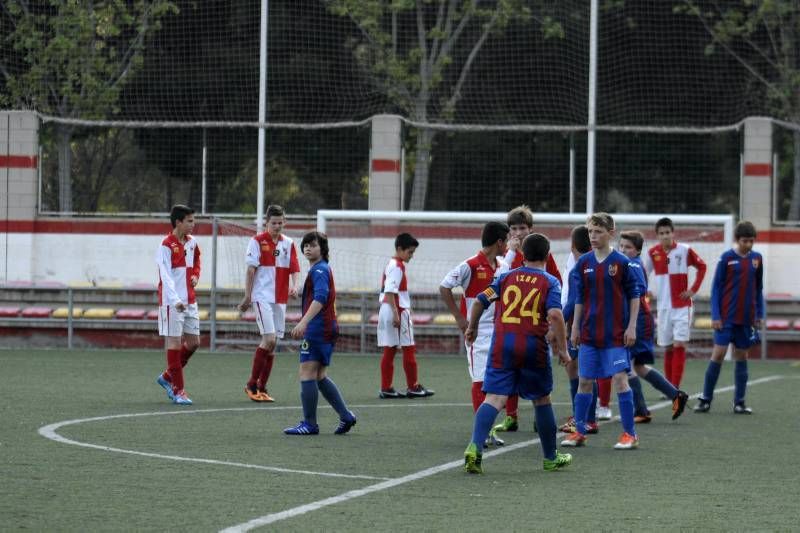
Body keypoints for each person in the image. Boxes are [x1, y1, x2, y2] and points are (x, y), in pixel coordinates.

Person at [463, 233, 573, 474]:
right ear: (546, 255)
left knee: (494, 398)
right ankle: (550, 457)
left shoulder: (505, 277)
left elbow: (481, 301)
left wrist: (472, 328)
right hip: (533, 346)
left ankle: (474, 446)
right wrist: (563, 350)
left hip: (503, 344)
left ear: (522, 254)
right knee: (541, 399)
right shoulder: (550, 281)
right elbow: (555, 315)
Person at [561, 212, 645, 450]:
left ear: (611, 233)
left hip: (615, 335)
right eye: (590, 232)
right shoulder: (583, 263)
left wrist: (631, 327)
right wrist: (575, 327)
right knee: (584, 381)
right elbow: (579, 299)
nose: (593, 236)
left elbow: (635, 296)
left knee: (620, 379)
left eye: (598, 232)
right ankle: (579, 431)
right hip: (589, 333)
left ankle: (630, 434)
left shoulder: (622, 263)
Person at [493, 205, 563, 434]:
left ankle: (539, 417)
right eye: (513, 228)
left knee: (538, 374)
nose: (518, 232)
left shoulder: (541, 253)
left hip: (536, 325)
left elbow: (555, 283)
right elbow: (496, 285)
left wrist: (552, 327)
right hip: (510, 322)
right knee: (509, 372)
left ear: (530, 229)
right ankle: (511, 416)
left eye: (522, 228)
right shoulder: (506, 256)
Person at [439, 221, 509, 447]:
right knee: (479, 381)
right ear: (499, 242)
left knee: (496, 382)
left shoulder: (501, 265)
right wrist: (460, 319)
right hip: (476, 332)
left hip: (500, 331)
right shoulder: (469, 265)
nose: (507, 245)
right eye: (506, 240)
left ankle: (489, 429)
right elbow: (444, 286)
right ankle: (483, 433)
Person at [284, 231, 356, 435]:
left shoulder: (319, 270)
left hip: (318, 328)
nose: (308, 248)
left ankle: (310, 424)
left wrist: (303, 322)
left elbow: (321, 298)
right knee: (320, 375)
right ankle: (346, 416)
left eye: (313, 245)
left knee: (307, 373)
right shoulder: (321, 269)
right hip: (326, 327)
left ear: (322, 249)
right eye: (305, 245)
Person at [618, 231, 689, 422]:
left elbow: (637, 292)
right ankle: (676, 395)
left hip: (638, 319)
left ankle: (641, 410)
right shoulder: (627, 263)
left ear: (638, 250)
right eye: (621, 246)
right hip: (637, 318)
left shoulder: (632, 265)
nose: (623, 250)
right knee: (638, 367)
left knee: (626, 366)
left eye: (628, 247)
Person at [695, 221, 763, 414]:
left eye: (751, 241)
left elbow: (759, 288)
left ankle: (739, 402)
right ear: (737, 240)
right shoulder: (727, 258)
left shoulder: (757, 259)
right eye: (745, 241)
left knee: (742, 355)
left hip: (746, 318)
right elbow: (716, 288)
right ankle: (705, 399)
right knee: (718, 353)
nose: (748, 244)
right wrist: (716, 315)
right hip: (725, 319)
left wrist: (760, 314)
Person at [238, 205, 301, 402]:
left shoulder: (288, 243)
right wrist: (248, 297)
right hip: (261, 296)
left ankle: (262, 387)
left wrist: (295, 286)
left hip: (280, 298)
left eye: (280, 222)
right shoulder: (256, 241)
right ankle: (251, 384)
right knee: (270, 339)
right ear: (267, 223)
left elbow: (295, 268)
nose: (277, 226)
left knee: (273, 345)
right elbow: (250, 271)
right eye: (274, 223)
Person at [643, 217, 707, 389]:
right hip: (663, 307)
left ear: (673, 233)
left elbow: (702, 267)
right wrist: (645, 290)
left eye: (668, 232)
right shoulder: (653, 253)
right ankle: (669, 388)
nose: (665, 236)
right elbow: (643, 274)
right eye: (661, 233)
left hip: (682, 306)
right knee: (668, 347)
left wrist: (693, 290)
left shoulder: (685, 250)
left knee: (679, 344)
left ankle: (675, 388)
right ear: (657, 235)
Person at [377, 233, 434, 398]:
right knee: (409, 348)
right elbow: (389, 292)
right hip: (397, 310)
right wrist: (396, 314)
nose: (411, 256)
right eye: (410, 252)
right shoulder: (398, 266)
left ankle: (386, 388)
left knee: (390, 350)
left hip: (388, 309)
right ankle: (413, 387)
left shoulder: (391, 263)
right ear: (400, 249)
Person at [155, 204, 201, 406]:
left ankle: (167, 376)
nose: (193, 224)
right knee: (173, 343)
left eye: (193, 220)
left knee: (194, 343)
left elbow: (198, 260)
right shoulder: (165, 245)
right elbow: (165, 276)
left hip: (190, 300)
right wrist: (175, 301)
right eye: (189, 221)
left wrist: (196, 276)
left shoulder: (192, 243)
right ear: (178, 222)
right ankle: (178, 390)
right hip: (172, 303)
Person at [558, 225, 600, 435]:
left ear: (572, 244)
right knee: (580, 369)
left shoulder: (580, 266)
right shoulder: (583, 262)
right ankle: (583, 415)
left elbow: (574, 300)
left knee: (582, 371)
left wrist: (557, 324)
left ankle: (587, 418)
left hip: (581, 325)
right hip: (585, 324)